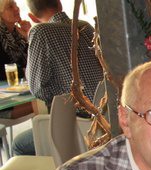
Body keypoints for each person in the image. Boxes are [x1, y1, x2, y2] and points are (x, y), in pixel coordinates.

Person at [11, 0, 103, 156]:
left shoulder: (40, 32)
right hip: (103, 116)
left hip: (75, 124)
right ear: (59, 4)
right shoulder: (85, 27)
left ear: (32, 17)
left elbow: (38, 89)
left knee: (19, 145)